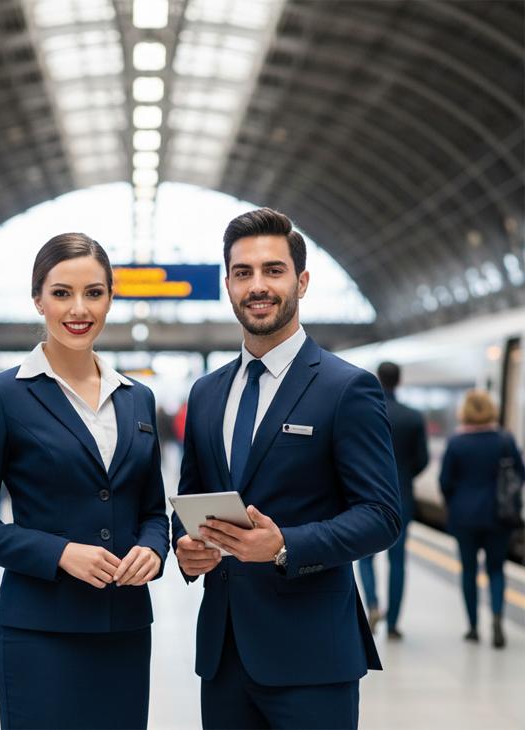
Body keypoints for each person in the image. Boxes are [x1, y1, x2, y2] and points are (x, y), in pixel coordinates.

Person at [172, 208, 401, 730]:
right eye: (243, 273)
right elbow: (189, 502)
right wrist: (186, 551)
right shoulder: (206, 394)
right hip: (223, 656)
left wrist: (282, 547)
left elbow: (382, 515)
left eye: (273, 271)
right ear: (227, 284)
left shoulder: (346, 388)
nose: (258, 286)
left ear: (301, 281)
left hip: (313, 656)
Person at [0, 233, 169, 730]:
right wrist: (60, 553)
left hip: (125, 628)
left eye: (94, 292)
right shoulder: (3, 396)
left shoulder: (137, 399)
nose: (79, 308)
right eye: (62, 293)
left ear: (111, 297)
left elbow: (153, 510)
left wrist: (154, 551)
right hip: (39, 630)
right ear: (38, 300)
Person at [439, 389, 524, 648]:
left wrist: (454, 502)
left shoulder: (457, 442)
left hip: (464, 516)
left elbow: (445, 481)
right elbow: (519, 475)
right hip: (499, 515)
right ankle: (497, 618)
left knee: (468, 570)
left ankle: (473, 627)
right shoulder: (505, 440)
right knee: (496, 569)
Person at [358, 361, 429, 639]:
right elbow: (422, 460)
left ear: (378, 379)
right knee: (398, 560)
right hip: (402, 497)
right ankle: (394, 623)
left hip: (366, 496)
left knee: (365, 557)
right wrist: (403, 478)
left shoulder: (365, 412)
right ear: (399, 381)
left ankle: (373, 604)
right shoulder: (412, 416)